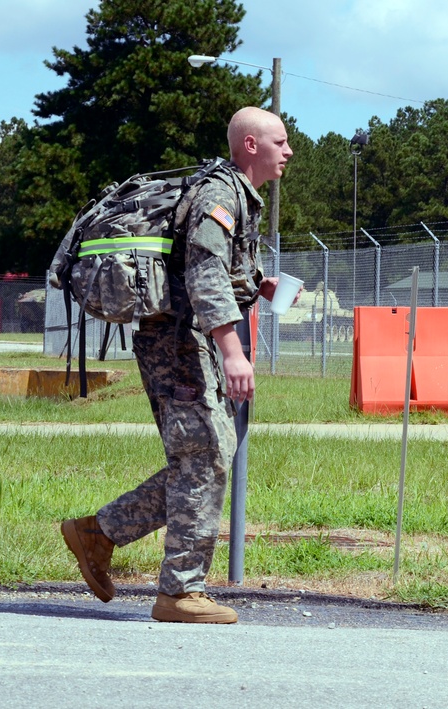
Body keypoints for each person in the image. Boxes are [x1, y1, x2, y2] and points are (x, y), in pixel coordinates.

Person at [60, 106, 293, 624]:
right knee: (206, 454)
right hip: (178, 345)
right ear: (250, 145)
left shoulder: (234, 195)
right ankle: (179, 592)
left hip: (183, 341)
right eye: (280, 141)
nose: (289, 151)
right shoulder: (219, 194)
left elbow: (210, 270)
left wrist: (260, 285)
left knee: (203, 457)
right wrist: (233, 352)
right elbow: (205, 276)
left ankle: (99, 533)